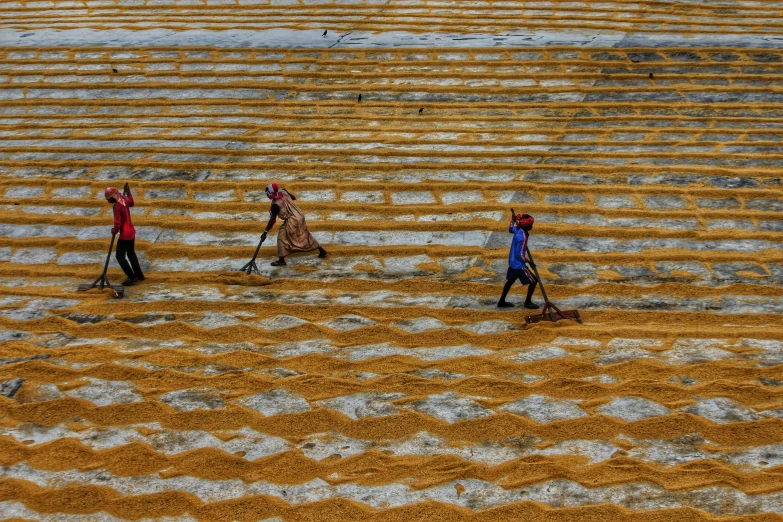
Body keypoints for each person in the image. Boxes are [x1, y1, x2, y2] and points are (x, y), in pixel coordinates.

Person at [260, 183, 327, 266]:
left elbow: (272, 221)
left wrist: (265, 232)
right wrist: (287, 192)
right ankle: (322, 250)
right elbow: (293, 198)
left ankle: (281, 260)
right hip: (299, 215)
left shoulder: (276, 205)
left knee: (282, 236)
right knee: (305, 234)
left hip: (293, 219)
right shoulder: (283, 191)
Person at [105, 183, 144, 286]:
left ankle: (132, 277)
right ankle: (139, 275)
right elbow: (131, 202)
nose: (109, 201)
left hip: (125, 235)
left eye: (109, 199)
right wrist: (129, 192)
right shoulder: (124, 199)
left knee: (120, 256)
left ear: (113, 197)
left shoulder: (117, 207)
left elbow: (118, 223)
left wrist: (114, 230)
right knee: (131, 253)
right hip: (131, 232)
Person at [498, 212, 538, 309]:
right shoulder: (522, 237)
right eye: (531, 225)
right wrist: (529, 262)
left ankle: (501, 301)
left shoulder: (518, 229)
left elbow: (510, 228)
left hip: (512, 262)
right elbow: (519, 254)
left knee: (510, 281)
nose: (532, 226)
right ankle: (527, 302)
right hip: (518, 265)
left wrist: (512, 220)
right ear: (527, 226)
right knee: (534, 281)